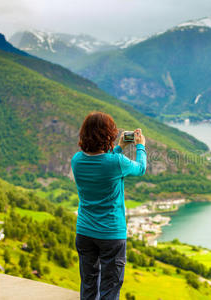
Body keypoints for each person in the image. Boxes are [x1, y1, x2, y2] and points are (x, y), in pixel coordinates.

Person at [71, 111, 146, 300]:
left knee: (88, 284)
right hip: (111, 234)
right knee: (110, 289)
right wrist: (140, 146)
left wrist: (119, 148)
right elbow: (141, 168)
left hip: (85, 232)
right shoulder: (116, 162)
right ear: (109, 135)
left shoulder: (77, 160)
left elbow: (100, 162)